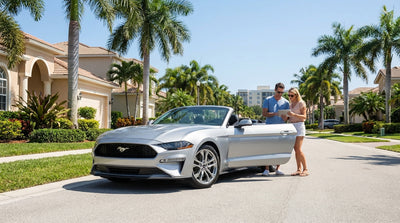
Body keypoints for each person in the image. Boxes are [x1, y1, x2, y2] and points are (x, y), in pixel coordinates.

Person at [261, 82, 289, 176]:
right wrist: (275, 113)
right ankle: (266, 169)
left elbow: (286, 118)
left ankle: (277, 169)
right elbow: (264, 114)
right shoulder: (268, 100)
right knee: (268, 148)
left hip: (281, 128)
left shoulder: (286, 102)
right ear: (275, 90)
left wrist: (285, 117)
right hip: (269, 127)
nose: (280, 94)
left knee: (279, 149)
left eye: (282, 92)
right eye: (278, 92)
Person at [286, 87, 309, 177]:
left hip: (299, 126)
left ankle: (306, 169)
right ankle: (299, 169)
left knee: (298, 149)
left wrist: (294, 114)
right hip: (292, 126)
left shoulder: (301, 103)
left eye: (291, 95)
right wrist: (286, 116)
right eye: (289, 95)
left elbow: (304, 117)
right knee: (295, 149)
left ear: (296, 95)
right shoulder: (290, 104)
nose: (290, 97)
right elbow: (289, 117)